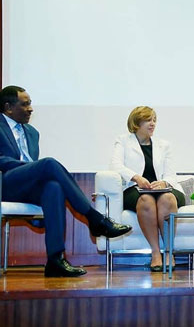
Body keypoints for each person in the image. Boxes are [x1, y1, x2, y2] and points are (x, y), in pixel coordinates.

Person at [0, 85, 132, 277]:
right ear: (8, 107)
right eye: (25, 104)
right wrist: (28, 168)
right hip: (6, 182)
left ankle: (55, 260)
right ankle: (95, 219)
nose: (31, 109)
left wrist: (33, 170)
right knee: (48, 164)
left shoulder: (32, 132)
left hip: (27, 184)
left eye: (31, 104)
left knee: (54, 188)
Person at [110, 106, 185, 272]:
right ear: (136, 123)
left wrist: (164, 183)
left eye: (154, 120)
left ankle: (169, 251)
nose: (152, 124)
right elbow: (115, 165)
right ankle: (156, 252)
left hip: (163, 189)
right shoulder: (123, 141)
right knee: (146, 200)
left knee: (167, 198)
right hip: (136, 189)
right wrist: (136, 177)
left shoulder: (164, 145)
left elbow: (171, 174)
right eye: (148, 120)